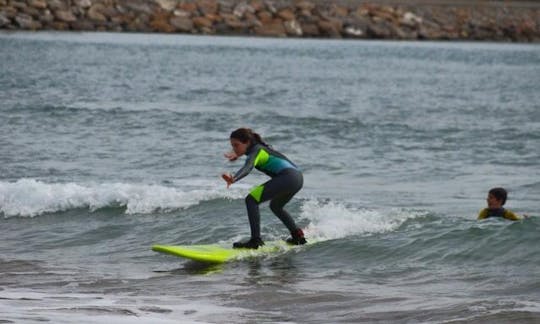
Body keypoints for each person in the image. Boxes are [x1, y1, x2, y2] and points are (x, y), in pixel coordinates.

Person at [222, 128, 306, 249]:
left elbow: (248, 166)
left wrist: (234, 178)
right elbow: (248, 157)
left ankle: (255, 240)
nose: (234, 149)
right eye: (232, 146)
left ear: (247, 142)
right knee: (276, 206)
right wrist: (238, 154)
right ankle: (297, 236)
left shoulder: (256, 151)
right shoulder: (259, 148)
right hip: (297, 178)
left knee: (251, 200)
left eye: (236, 145)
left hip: (287, 177)